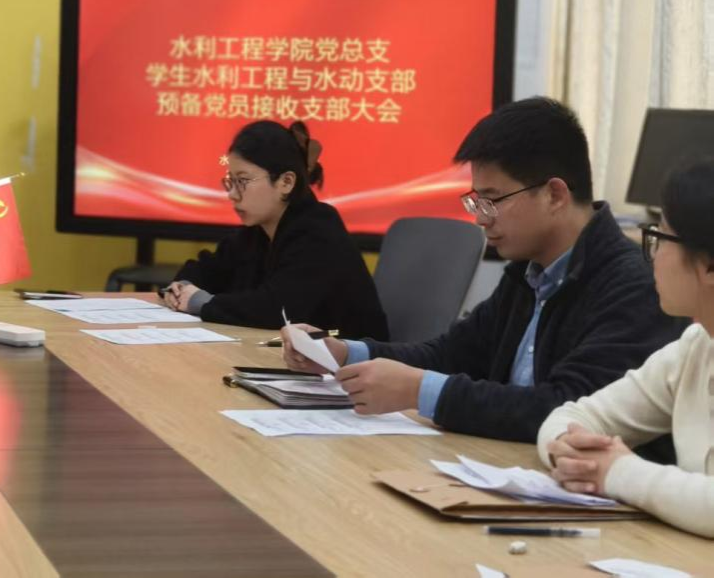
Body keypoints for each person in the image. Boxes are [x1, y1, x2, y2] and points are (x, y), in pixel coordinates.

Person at [282, 97, 683, 442]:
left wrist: (421, 391)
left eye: (493, 199)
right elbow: (451, 354)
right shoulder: (527, 273)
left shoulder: (633, 285)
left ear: (555, 194)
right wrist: (345, 353)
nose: (480, 218)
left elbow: (568, 408)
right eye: (476, 201)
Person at [537, 159, 714, 537]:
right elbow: (572, 415)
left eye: (660, 238)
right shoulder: (695, 348)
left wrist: (618, 472)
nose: (652, 255)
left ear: (710, 266)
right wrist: (567, 449)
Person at [162, 120, 389, 336]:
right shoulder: (257, 230)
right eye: (231, 181)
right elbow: (206, 269)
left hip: (345, 356)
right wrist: (182, 287)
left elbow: (276, 309)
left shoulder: (318, 231)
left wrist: (202, 303)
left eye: (243, 181)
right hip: (287, 353)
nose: (232, 194)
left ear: (286, 182)